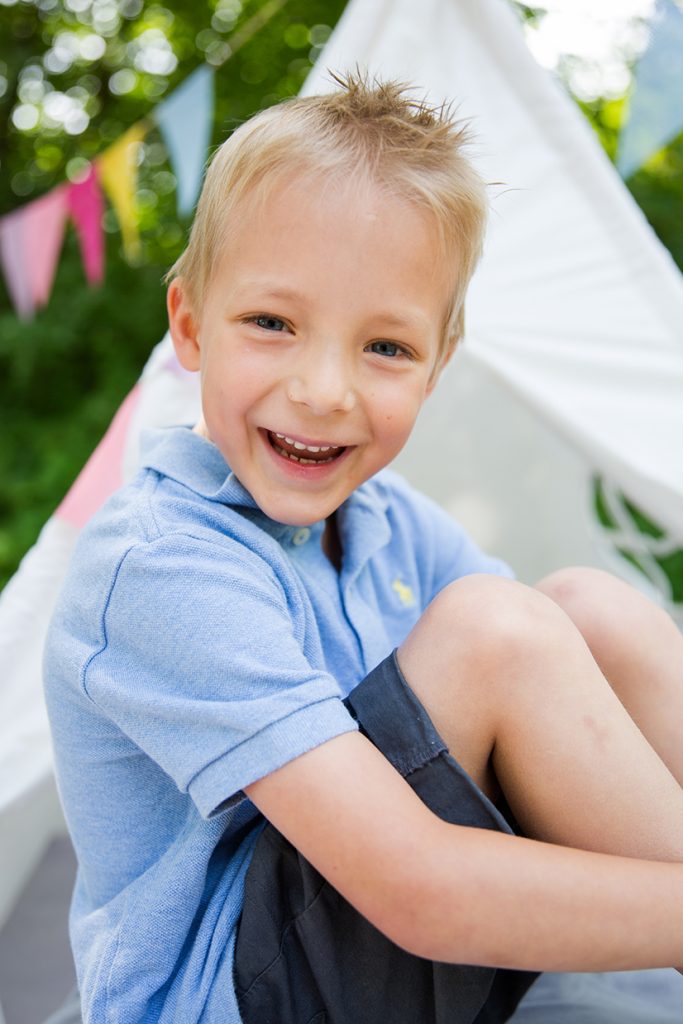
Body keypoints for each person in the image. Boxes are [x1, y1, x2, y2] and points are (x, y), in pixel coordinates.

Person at [43, 73, 683, 1024]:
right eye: (271, 323)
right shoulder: (160, 563)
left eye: (384, 347)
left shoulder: (389, 523)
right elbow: (418, 889)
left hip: (357, 954)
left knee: (586, 610)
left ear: (439, 360)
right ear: (189, 325)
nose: (324, 389)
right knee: (500, 628)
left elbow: (548, 709)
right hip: (238, 996)